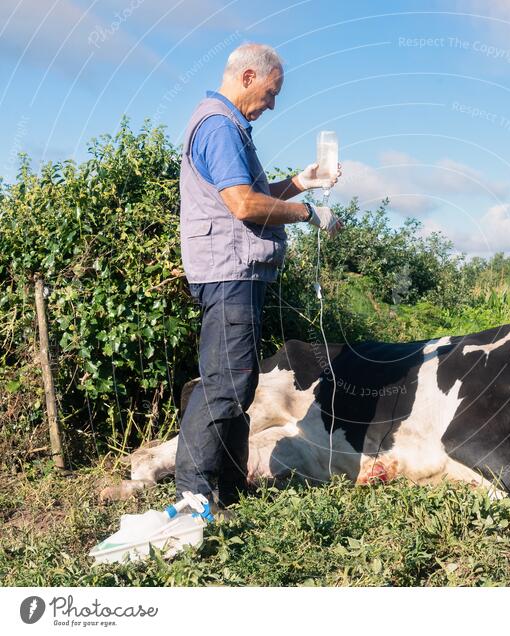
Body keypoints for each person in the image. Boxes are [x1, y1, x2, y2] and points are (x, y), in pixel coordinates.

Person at [175, 42, 342, 511]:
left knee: (238, 382)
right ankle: (193, 493)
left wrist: (300, 182)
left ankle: (228, 488)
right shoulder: (219, 125)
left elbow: (251, 193)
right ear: (249, 76)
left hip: (234, 272)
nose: (272, 104)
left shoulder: (225, 125)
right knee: (225, 383)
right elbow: (245, 206)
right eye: (272, 92)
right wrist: (308, 212)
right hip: (230, 273)